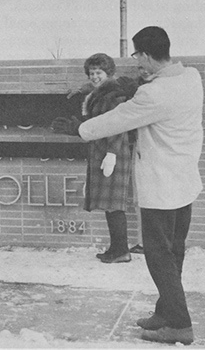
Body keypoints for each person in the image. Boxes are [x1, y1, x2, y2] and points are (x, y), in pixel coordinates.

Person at [52, 26, 203, 345]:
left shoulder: (155, 94)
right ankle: (165, 310)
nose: (136, 62)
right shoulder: (190, 78)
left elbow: (118, 118)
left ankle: (179, 324)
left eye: (137, 56)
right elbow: (134, 85)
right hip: (185, 182)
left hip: (161, 187)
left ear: (147, 55)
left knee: (159, 256)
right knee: (174, 251)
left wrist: (80, 128)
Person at [76, 53, 139, 264]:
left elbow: (118, 125)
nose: (94, 77)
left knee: (114, 204)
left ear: (109, 73)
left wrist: (111, 153)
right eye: (92, 73)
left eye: (99, 72)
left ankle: (121, 250)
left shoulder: (114, 95)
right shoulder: (100, 94)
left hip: (113, 153)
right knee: (110, 204)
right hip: (102, 152)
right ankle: (117, 247)